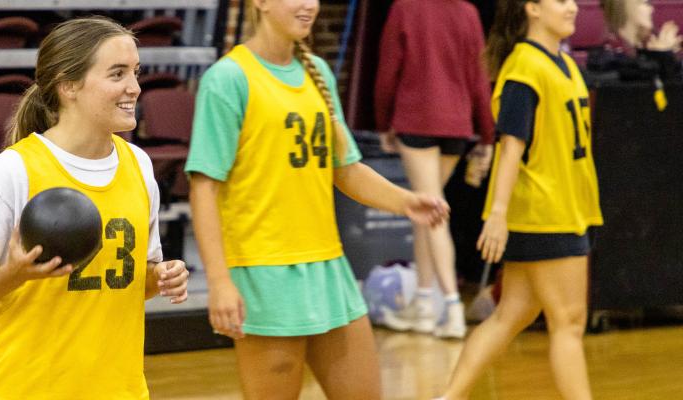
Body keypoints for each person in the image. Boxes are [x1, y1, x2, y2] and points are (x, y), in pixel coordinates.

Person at [186, 0, 450, 398]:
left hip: (328, 268)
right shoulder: (227, 79)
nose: (310, 4)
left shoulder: (319, 73)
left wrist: (405, 201)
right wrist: (220, 282)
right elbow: (204, 188)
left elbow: (344, 168)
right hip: (264, 273)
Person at [0, 17, 190, 400]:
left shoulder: (139, 165)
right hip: (23, 389)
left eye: (136, 73)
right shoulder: (10, 172)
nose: (135, 88)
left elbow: (129, 279)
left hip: (118, 389)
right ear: (68, 84)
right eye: (117, 74)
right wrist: (15, 273)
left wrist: (162, 278)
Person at [439, 0, 603, 399]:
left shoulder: (564, 66)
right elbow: (510, 147)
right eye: (560, 1)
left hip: (566, 208)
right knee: (568, 322)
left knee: (511, 315)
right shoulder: (525, 67)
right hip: (546, 213)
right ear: (531, 8)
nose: (572, 8)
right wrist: (496, 214)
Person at [374, 0, 495, 339]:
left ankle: (452, 307)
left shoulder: (404, 8)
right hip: (456, 126)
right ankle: (424, 305)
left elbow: (387, 72)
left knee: (432, 212)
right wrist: (486, 133)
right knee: (427, 213)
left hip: (417, 120)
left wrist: (383, 124)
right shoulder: (469, 12)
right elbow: (478, 78)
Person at [588, 0, 682, 82]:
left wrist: (664, 55)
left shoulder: (646, 50)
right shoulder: (606, 56)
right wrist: (662, 56)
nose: (651, 9)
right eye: (645, 3)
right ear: (625, 6)